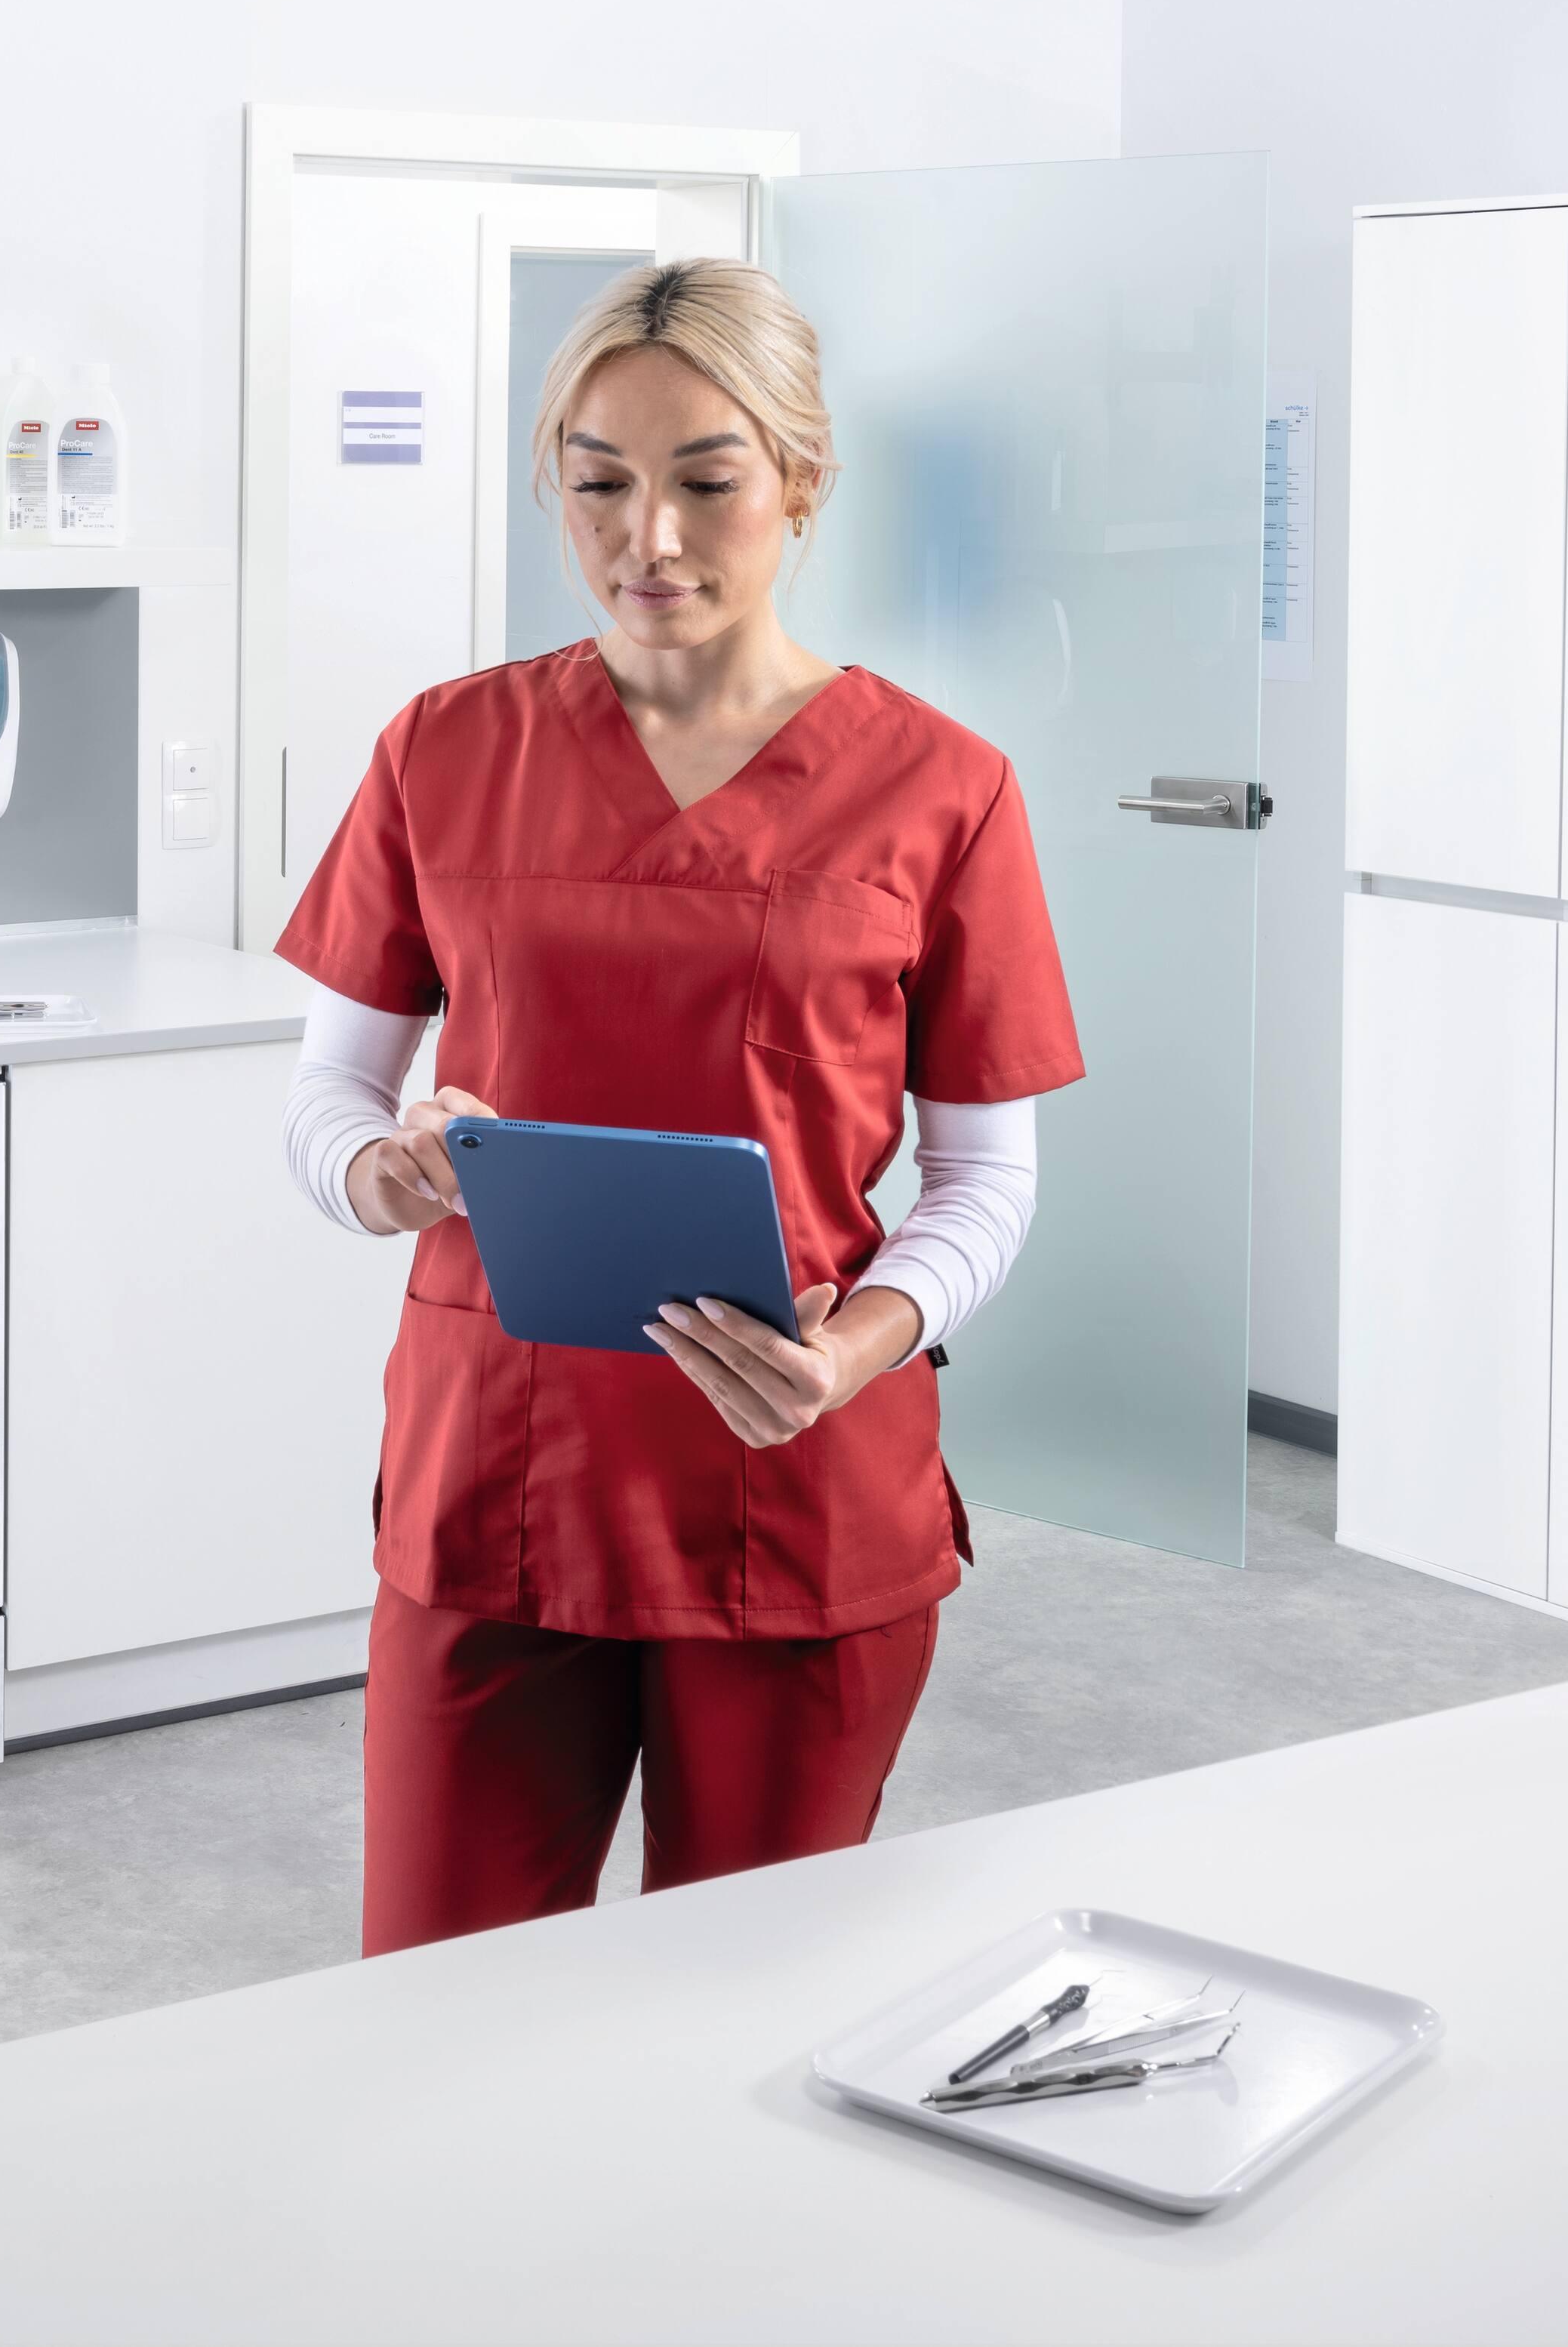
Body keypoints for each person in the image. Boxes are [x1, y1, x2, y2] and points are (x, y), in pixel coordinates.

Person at [273, 257, 1081, 1956]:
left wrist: (851, 1351)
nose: (649, 537)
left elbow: (986, 1174)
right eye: (598, 482)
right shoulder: (443, 749)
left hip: (792, 1487)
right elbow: (327, 1096)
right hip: (494, 1474)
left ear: (799, 479)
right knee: (434, 2002)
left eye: (706, 481)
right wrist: (385, 1171)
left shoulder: (940, 787)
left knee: (736, 2019)